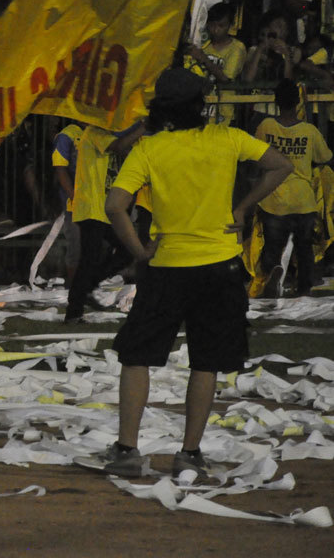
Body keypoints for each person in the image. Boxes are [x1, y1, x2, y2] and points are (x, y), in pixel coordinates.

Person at [79, 67, 291, 478]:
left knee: (136, 355)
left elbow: (114, 206)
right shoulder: (227, 138)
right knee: (206, 361)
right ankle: (189, 454)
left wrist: (139, 252)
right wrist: (243, 208)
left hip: (167, 265)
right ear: (201, 105)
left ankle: (127, 450)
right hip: (221, 264)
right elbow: (281, 166)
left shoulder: (149, 149)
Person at [254, 79, 333, 297]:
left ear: (276, 101)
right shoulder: (309, 130)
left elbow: (258, 158)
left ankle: (272, 279)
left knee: (271, 247)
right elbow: (325, 157)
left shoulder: (266, 126)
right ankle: (303, 289)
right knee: (304, 249)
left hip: (273, 198)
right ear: (298, 101)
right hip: (303, 199)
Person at [63, 121, 144, 323]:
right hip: (91, 207)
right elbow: (119, 146)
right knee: (88, 260)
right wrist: (143, 126)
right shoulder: (94, 133)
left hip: (103, 210)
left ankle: (87, 288)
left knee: (125, 251)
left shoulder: (105, 135)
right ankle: (74, 311)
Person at [184, 2, 247, 125]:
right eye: (212, 25)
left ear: (230, 25)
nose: (216, 30)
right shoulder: (204, 46)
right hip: (202, 111)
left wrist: (203, 58)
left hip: (224, 112)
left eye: (221, 25)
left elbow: (226, 78)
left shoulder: (237, 48)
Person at [52, 120, 83, 286]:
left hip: (97, 202)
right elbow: (60, 168)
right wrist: (74, 197)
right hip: (76, 204)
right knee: (76, 247)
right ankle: (74, 286)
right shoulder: (69, 134)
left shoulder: (101, 133)